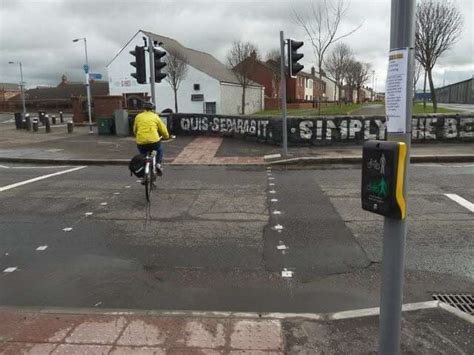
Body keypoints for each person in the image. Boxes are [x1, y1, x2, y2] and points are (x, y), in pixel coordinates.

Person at [133, 102, 169, 176]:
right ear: (153, 109)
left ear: (144, 109)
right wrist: (166, 136)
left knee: (143, 155)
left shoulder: (138, 116)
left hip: (141, 142)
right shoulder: (155, 116)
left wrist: (138, 135)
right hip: (154, 141)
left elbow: (135, 130)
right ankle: (158, 165)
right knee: (159, 149)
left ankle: (143, 169)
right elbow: (163, 129)